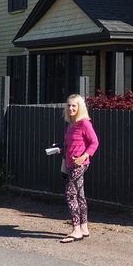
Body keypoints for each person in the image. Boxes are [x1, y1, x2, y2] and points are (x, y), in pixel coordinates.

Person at [59, 94, 99, 243]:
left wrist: (84, 157)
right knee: (80, 195)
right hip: (70, 164)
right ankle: (84, 227)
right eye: (69, 105)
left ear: (80, 107)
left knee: (70, 194)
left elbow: (94, 142)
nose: (71, 108)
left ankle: (76, 230)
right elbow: (69, 145)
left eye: (74, 105)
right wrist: (58, 147)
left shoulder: (84, 123)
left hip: (79, 164)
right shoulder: (71, 124)